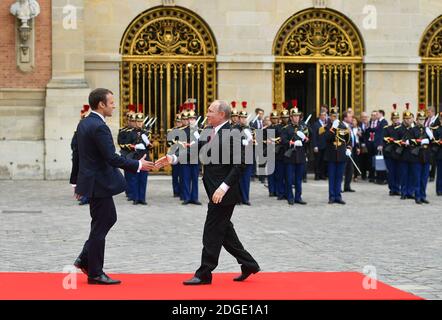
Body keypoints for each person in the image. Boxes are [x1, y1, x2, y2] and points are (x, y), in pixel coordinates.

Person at [156, 100, 260, 285]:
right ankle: (249, 264)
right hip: (213, 189)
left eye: (211, 111)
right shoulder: (207, 131)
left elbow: (240, 165)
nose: (208, 113)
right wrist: (172, 158)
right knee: (225, 231)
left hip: (224, 192)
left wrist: (224, 187)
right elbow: (195, 150)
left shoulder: (234, 133)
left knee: (211, 232)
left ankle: (204, 273)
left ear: (222, 114)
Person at [71, 88, 155, 285]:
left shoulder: (84, 123)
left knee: (104, 220)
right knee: (102, 224)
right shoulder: (99, 127)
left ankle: (85, 260)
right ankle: (94, 272)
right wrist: (138, 165)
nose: (114, 106)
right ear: (101, 104)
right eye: (111, 102)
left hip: (92, 182)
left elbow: (77, 154)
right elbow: (111, 157)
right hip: (99, 183)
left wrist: (77, 182)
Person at [281, 104, 309, 205]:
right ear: (291, 117)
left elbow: (307, 140)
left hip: (300, 156)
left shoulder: (303, 127)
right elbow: (283, 141)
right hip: (290, 156)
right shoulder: (286, 128)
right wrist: (293, 143)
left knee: (298, 179)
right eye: (295, 116)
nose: (297, 117)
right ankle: (290, 197)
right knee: (289, 179)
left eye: (298, 116)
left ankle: (298, 197)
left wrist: (304, 139)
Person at [324, 107, 351, 205]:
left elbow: (348, 139)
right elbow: (327, 138)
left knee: (339, 177)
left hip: (341, 155)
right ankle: (332, 196)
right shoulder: (327, 126)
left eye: (336, 116)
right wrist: (333, 128)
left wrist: (348, 148)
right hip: (331, 155)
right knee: (332, 177)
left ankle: (338, 196)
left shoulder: (343, 125)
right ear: (330, 117)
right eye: (333, 116)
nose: (335, 117)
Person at [410, 105, 433, 204]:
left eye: (423, 119)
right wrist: (421, 141)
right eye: (420, 119)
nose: (422, 121)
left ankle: (423, 195)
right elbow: (409, 141)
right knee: (417, 177)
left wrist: (430, 137)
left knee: (424, 178)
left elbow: (432, 142)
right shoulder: (413, 130)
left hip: (426, 156)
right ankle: (417, 196)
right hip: (417, 156)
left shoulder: (427, 129)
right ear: (417, 119)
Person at [70, 104, 90, 206]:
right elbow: (73, 145)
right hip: (79, 158)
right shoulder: (77, 133)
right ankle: (82, 195)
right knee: (79, 177)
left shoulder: (90, 133)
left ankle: (86, 196)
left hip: (87, 159)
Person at [396, 104, 415, 200]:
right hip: (403, 154)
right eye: (406, 118)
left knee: (411, 174)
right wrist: (402, 143)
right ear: (403, 119)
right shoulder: (399, 129)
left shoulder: (415, 129)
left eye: (410, 118)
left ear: (412, 118)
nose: (408, 120)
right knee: (403, 174)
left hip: (412, 154)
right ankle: (403, 192)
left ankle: (410, 192)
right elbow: (395, 141)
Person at [382, 104, 402, 196]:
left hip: (398, 153)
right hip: (389, 153)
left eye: (397, 118)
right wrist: (393, 140)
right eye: (394, 118)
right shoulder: (387, 128)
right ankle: (392, 188)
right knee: (391, 172)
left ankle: (397, 188)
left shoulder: (402, 128)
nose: (396, 120)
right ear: (391, 119)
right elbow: (384, 138)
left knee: (398, 172)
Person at [238, 102, 254, 205]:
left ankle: (245, 198)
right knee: (238, 179)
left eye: (245, 118)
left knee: (246, 179)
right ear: (239, 119)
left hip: (248, 156)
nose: (244, 119)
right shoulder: (234, 129)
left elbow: (255, 140)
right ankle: (238, 199)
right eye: (242, 118)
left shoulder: (250, 129)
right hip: (238, 157)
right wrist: (240, 142)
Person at [168, 113, 183, 198]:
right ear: (175, 122)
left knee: (182, 175)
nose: (179, 123)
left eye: (180, 122)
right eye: (177, 122)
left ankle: (182, 191)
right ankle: (176, 191)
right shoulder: (172, 131)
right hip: (174, 155)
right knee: (175, 174)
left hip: (183, 154)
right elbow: (169, 142)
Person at [343, 111, 358, 193]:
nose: (351, 118)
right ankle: (339, 187)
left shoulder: (350, 126)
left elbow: (352, 137)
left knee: (350, 169)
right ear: (345, 118)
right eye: (349, 117)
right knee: (343, 169)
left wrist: (356, 146)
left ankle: (347, 186)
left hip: (351, 150)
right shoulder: (342, 126)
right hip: (344, 151)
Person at [311, 110, 328, 180]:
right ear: (320, 116)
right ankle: (317, 175)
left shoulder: (327, 124)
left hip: (325, 145)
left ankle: (322, 175)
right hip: (318, 145)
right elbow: (314, 136)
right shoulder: (316, 124)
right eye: (322, 115)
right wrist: (315, 146)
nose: (324, 116)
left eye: (325, 115)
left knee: (323, 161)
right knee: (317, 161)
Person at [433, 114, 442, 196]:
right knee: (440, 173)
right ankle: (439, 190)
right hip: (440, 154)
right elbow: (434, 142)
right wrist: (439, 142)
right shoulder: (437, 130)